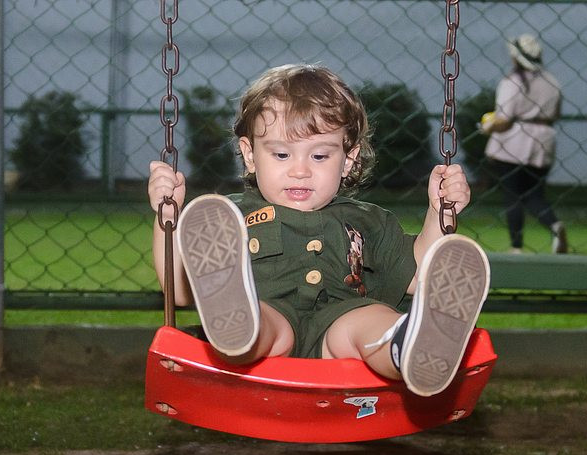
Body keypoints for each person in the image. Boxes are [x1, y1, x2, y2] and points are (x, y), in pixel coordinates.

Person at [147, 64, 490, 397]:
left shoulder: (370, 219)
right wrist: (167, 218)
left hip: (340, 333)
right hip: (270, 328)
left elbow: (419, 275)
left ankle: (412, 344)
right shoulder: (229, 217)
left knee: (372, 320)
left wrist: (438, 212)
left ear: (348, 159)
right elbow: (178, 291)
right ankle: (234, 325)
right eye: (282, 155)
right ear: (250, 155)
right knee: (260, 322)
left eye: (320, 157)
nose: (300, 171)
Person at [479, 33, 567, 254]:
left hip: (514, 144)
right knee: (535, 195)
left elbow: (504, 120)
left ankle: (516, 246)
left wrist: (487, 127)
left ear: (515, 57)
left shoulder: (512, 82)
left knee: (513, 195)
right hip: (543, 142)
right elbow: (556, 114)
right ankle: (555, 225)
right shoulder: (552, 81)